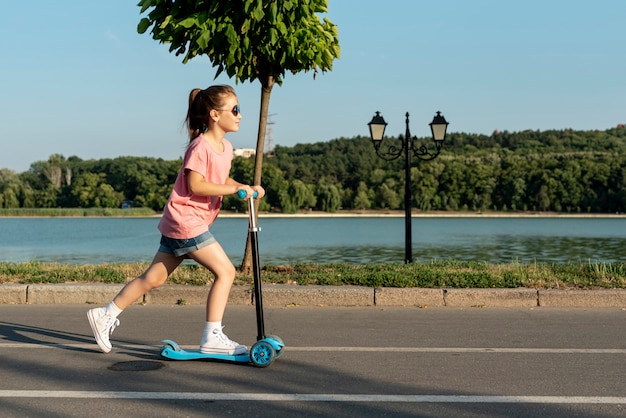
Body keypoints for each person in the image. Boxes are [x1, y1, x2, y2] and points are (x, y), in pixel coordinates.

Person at [87, 85, 265, 355]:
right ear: (215, 115)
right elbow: (196, 184)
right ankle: (212, 337)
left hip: (181, 221)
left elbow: (219, 180)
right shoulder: (200, 146)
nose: (240, 115)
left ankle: (106, 314)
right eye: (236, 110)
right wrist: (231, 189)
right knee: (226, 272)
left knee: (153, 278)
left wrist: (245, 187)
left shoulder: (225, 147)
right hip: (186, 221)